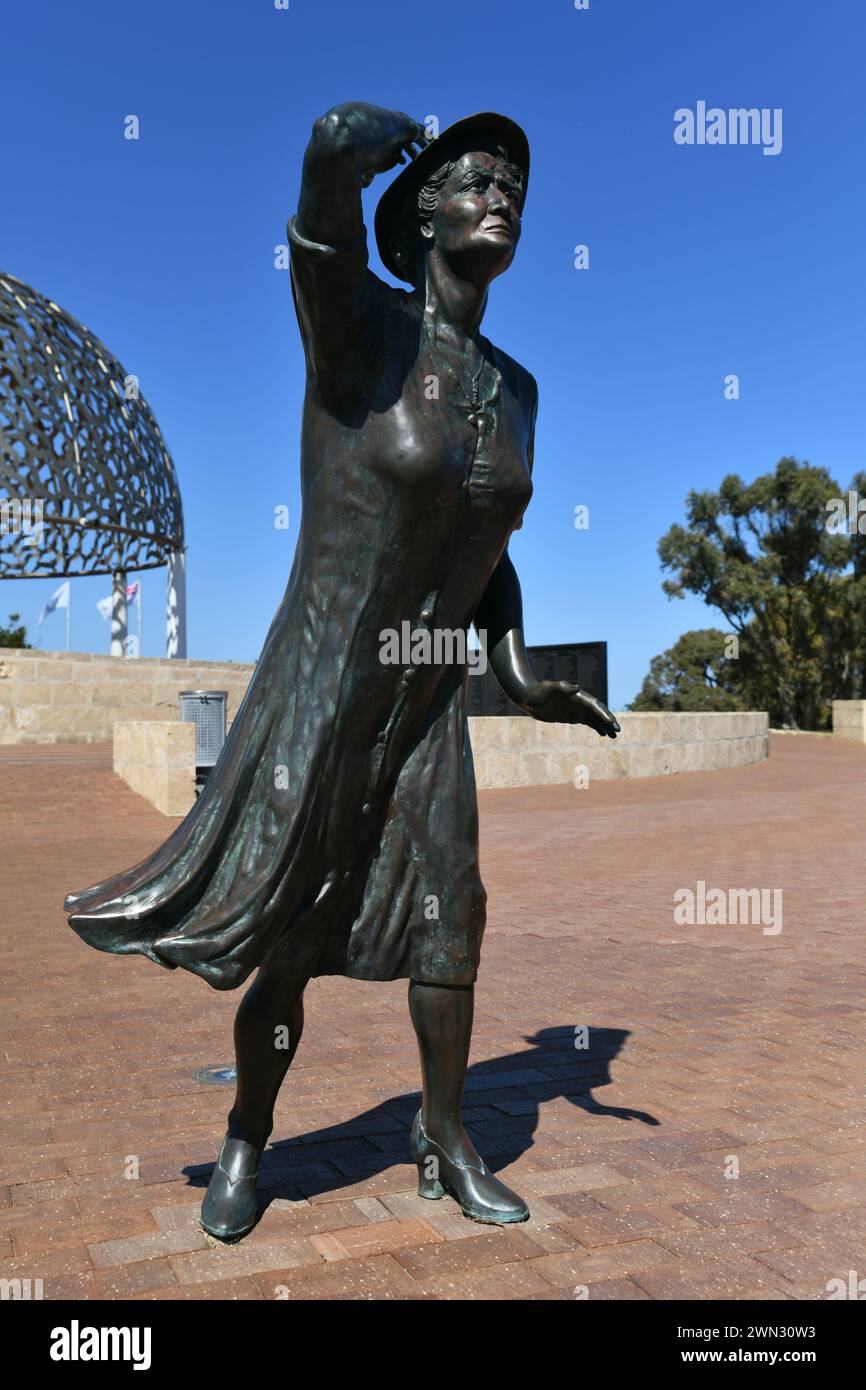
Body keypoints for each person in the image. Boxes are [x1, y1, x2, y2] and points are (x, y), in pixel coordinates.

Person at [65, 103, 620, 1240]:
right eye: (471, 180)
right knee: (293, 934)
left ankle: (446, 1134)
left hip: (423, 704)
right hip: (324, 690)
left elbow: (485, 548)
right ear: (420, 215)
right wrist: (328, 160)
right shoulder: (362, 332)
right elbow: (319, 243)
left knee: (448, 918)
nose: (500, 196)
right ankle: (247, 1143)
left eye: (513, 186)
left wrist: (513, 669)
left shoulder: (517, 390)